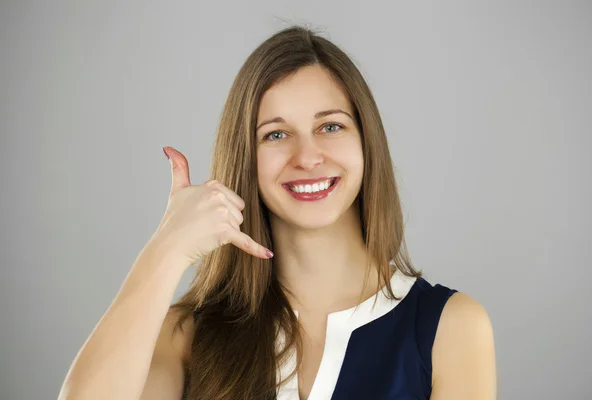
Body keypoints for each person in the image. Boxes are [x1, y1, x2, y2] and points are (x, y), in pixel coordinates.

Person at [58, 25, 497, 400]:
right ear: (245, 157)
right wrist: (167, 250)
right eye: (276, 134)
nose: (307, 157)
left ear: (367, 143)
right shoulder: (188, 334)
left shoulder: (451, 328)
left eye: (331, 126)